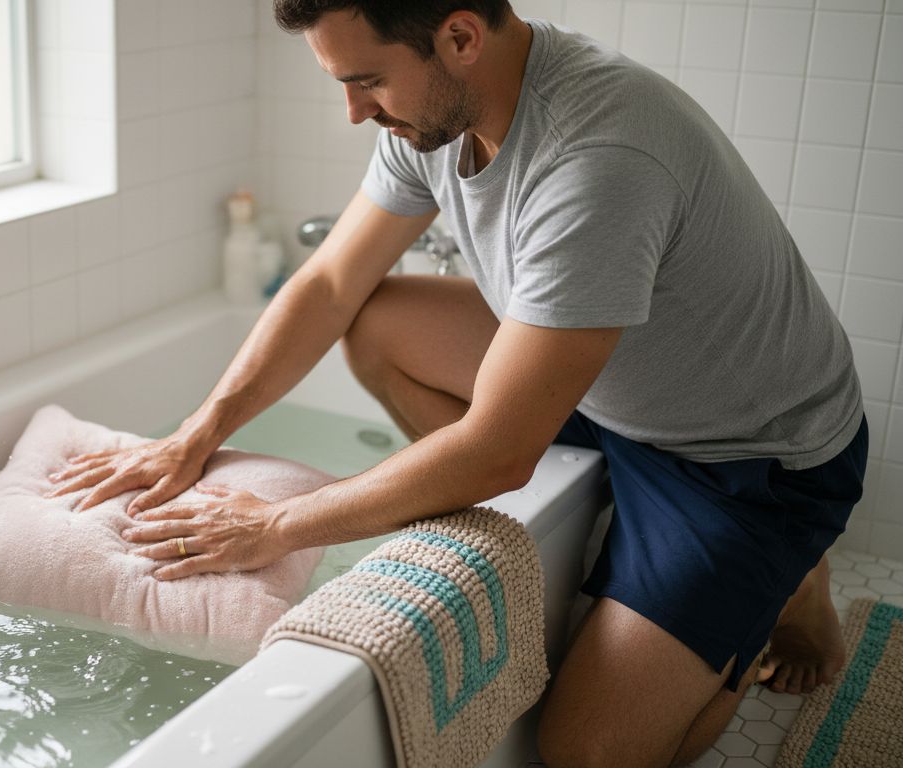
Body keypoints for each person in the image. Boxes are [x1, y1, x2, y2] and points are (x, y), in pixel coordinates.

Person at [47, 1, 868, 764]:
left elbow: (501, 453)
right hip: (603, 386)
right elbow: (332, 283)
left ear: (461, 37)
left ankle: (783, 586)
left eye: (366, 80)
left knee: (586, 753)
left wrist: (276, 528)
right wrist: (199, 432)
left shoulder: (600, 158)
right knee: (376, 322)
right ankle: (618, 523)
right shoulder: (435, 114)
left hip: (741, 461)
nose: (355, 111)